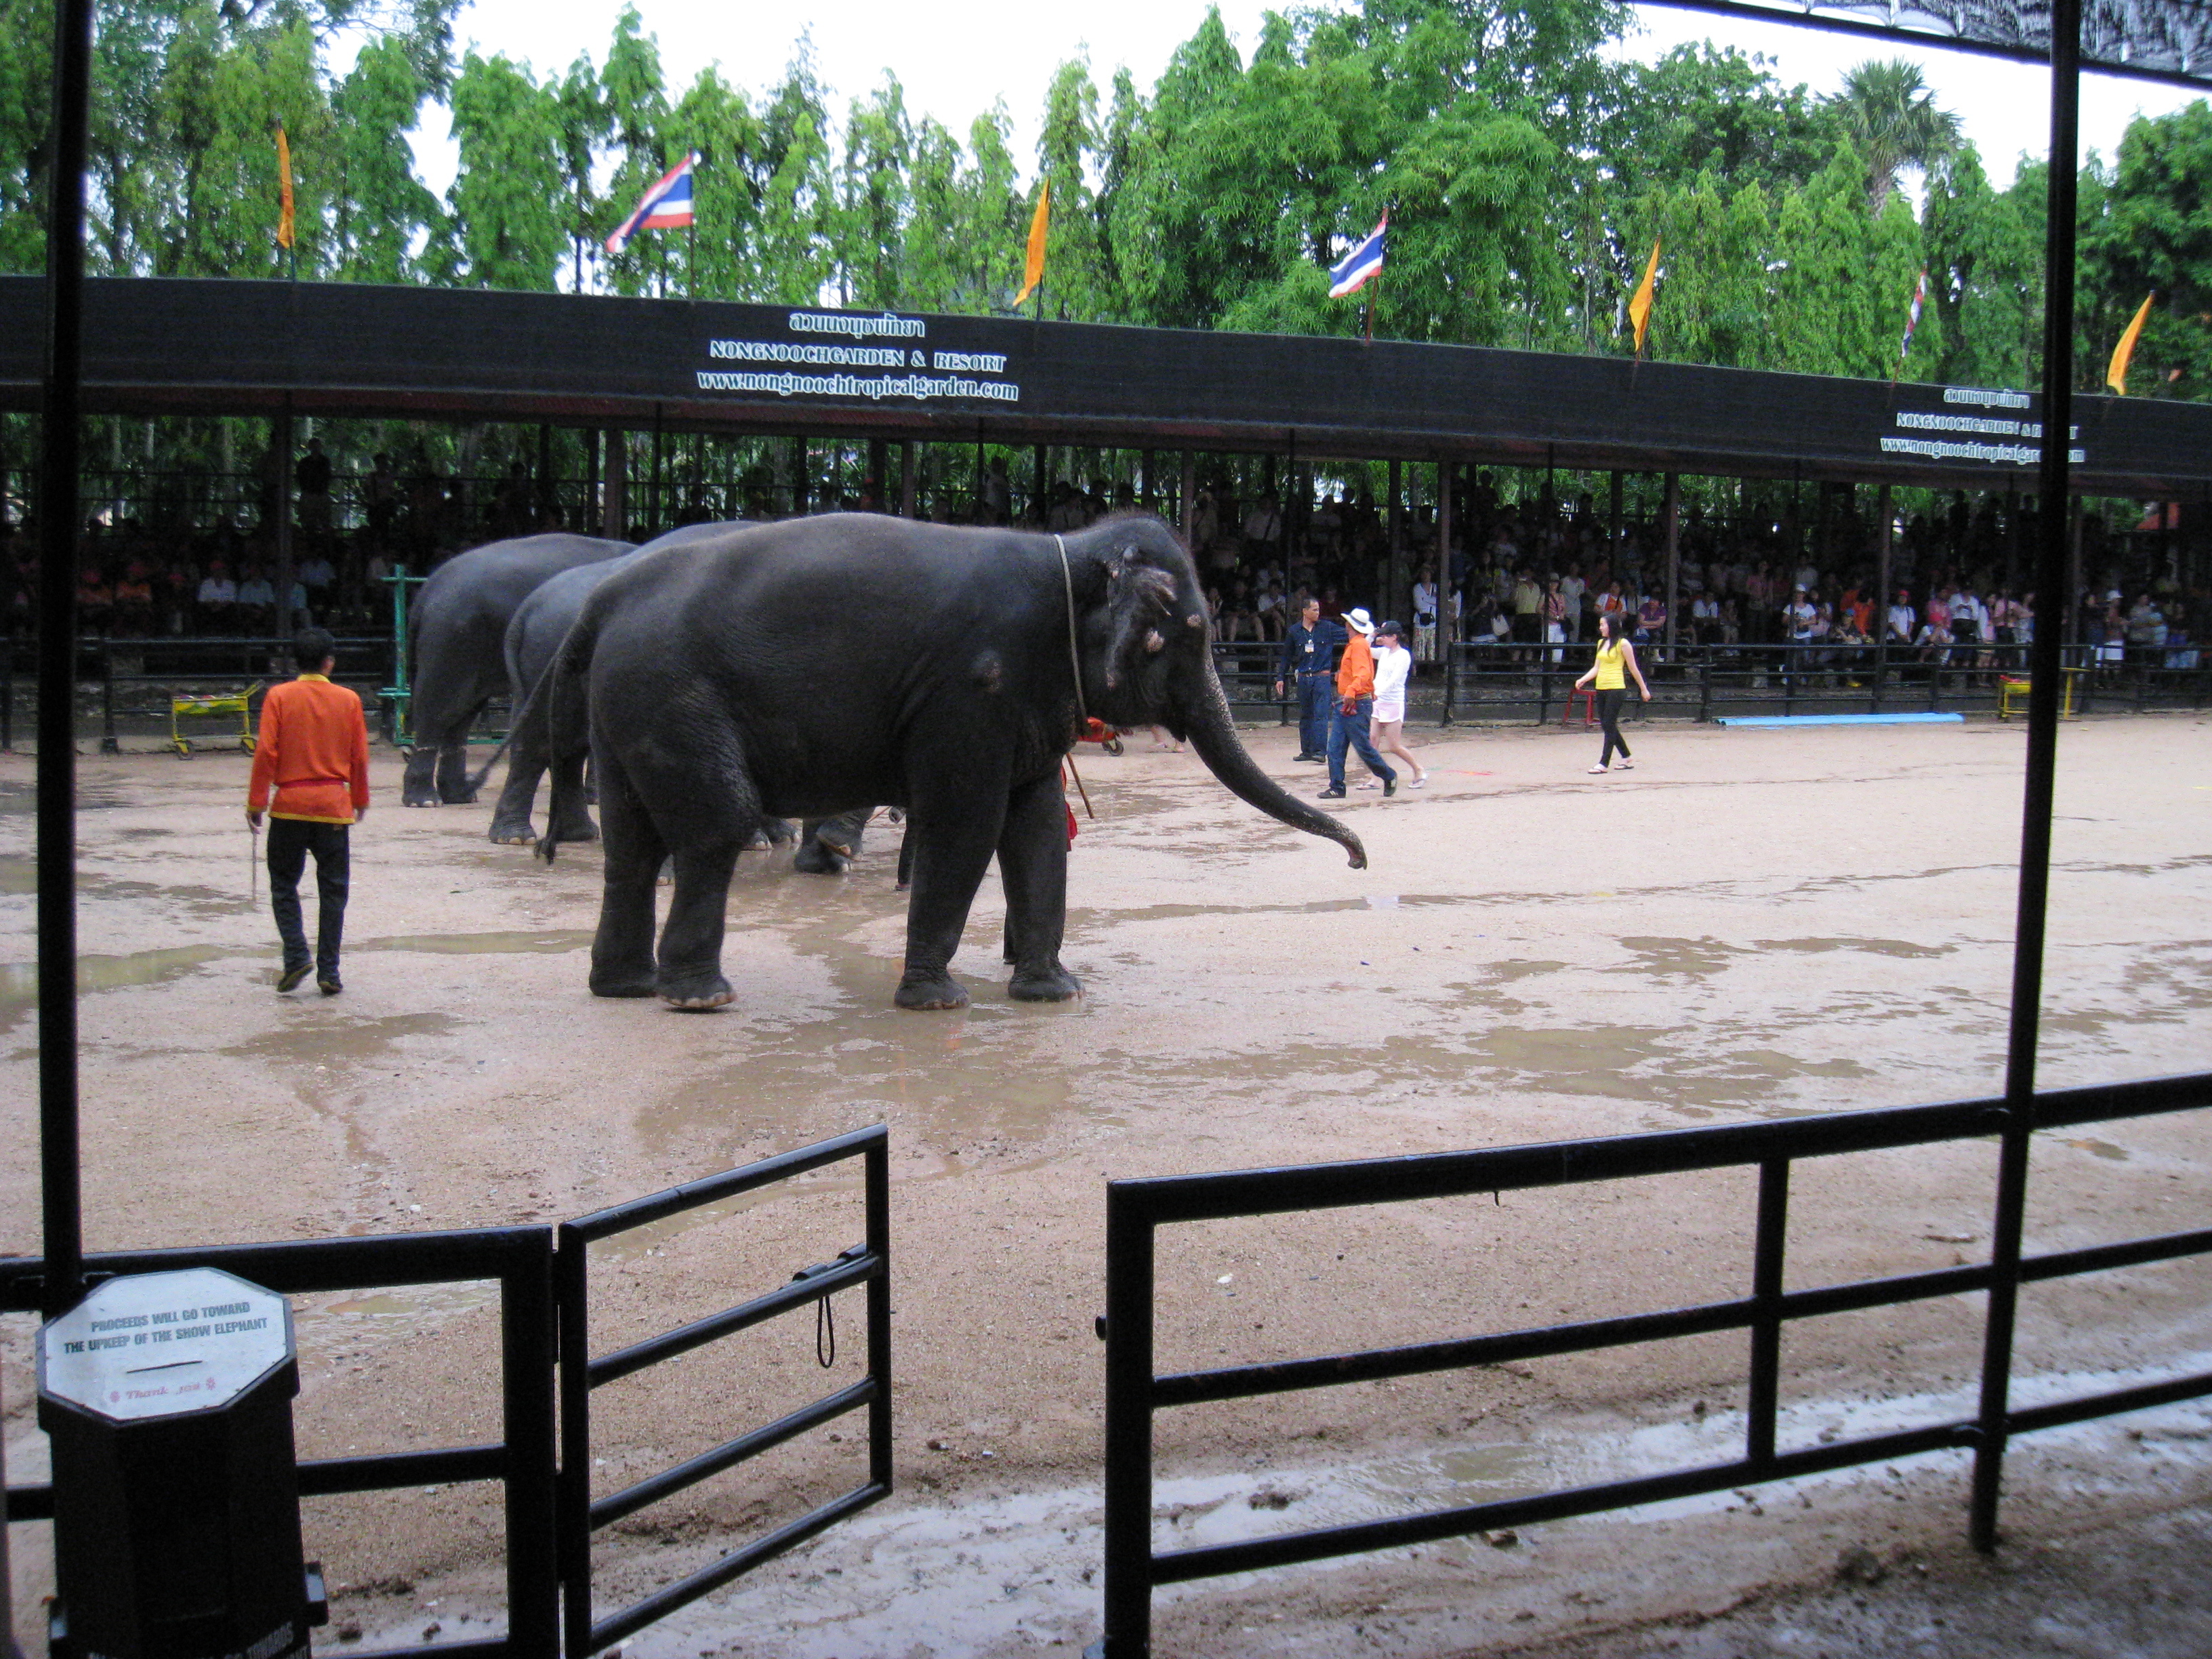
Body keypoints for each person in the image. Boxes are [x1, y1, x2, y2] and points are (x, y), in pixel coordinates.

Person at [247, 627, 370, 994]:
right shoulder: (348, 700)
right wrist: (359, 799)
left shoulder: (279, 696)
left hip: (289, 807)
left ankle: (297, 955)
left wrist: (256, 802)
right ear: (329, 662)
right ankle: (329, 971)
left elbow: (266, 752)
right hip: (333, 807)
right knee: (333, 891)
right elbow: (359, 757)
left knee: (284, 885)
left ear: (294, 662)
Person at [1319, 607, 1395, 800]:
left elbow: (1363, 674)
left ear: (1349, 625)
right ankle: (1337, 786)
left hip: (1354, 702)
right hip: (1350, 702)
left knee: (1361, 747)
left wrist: (1351, 691)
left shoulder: (1358, 646)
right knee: (1336, 747)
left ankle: (1388, 775)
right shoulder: (1357, 644)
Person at [1572, 610, 1649, 774]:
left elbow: (1633, 668)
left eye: (1603, 625)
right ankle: (1626, 756)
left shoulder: (1623, 644)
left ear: (1611, 626)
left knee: (1608, 723)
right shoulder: (1601, 643)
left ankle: (1604, 762)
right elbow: (1597, 667)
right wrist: (1584, 679)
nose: (1600, 628)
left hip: (1616, 687)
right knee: (1608, 725)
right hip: (1602, 686)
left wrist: (1643, 688)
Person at [1274, 597, 1343, 762]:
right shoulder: (1294, 631)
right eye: (1314, 609)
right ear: (1304, 611)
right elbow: (1287, 656)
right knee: (1305, 715)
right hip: (1304, 677)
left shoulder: (1326, 627)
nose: (1318, 613)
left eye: (1318, 609)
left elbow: (1347, 634)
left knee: (1321, 714)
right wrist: (1280, 677)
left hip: (1321, 677)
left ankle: (1320, 751)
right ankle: (1307, 751)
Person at [1368, 619, 1426, 787]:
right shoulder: (1384, 652)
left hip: (1392, 702)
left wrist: (1376, 693)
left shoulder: (1403, 655)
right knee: (1373, 741)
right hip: (1379, 702)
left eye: (1385, 636)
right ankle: (1375, 778)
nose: (1382, 638)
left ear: (1394, 637)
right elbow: (1363, 650)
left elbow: (1394, 681)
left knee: (1393, 745)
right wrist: (1372, 636)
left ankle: (1418, 769)